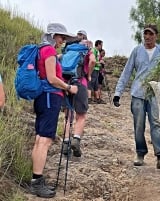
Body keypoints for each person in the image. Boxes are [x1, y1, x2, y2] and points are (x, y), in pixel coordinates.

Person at [30, 23, 78, 198]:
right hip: (50, 97)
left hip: (43, 97)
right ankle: (36, 182)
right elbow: (51, 78)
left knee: (39, 139)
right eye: (61, 37)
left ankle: (37, 180)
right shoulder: (49, 51)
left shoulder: (41, 49)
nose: (63, 40)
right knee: (44, 140)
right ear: (53, 36)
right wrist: (68, 87)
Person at [113, 24, 160, 169]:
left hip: (155, 93)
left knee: (156, 123)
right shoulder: (137, 51)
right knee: (139, 125)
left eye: (151, 34)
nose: (147, 37)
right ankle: (140, 153)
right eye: (145, 34)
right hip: (138, 93)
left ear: (156, 36)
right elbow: (126, 72)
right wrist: (118, 93)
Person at [62, 30, 96, 157]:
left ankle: (65, 143)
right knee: (81, 115)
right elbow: (92, 61)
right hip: (80, 82)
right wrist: (88, 75)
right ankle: (76, 139)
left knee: (68, 115)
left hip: (66, 83)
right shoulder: (87, 48)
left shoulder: (69, 48)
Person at [87, 40, 105, 104]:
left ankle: (97, 98)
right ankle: (89, 99)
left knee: (95, 84)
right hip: (93, 69)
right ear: (99, 44)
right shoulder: (93, 50)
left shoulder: (97, 51)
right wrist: (99, 62)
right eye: (101, 45)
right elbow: (92, 60)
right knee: (90, 83)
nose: (102, 46)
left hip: (96, 69)